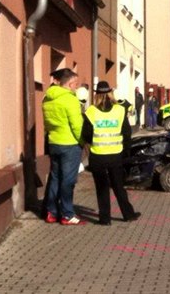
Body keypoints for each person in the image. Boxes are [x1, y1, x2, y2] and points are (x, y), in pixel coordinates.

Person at [82, 81, 140, 225]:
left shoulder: (91, 111)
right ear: (110, 93)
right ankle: (128, 214)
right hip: (116, 155)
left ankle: (105, 219)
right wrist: (126, 152)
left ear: (96, 95)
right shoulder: (120, 110)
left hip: (97, 156)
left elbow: (86, 134)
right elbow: (127, 134)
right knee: (118, 186)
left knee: (102, 189)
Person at [42, 68, 85, 225]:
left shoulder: (47, 98)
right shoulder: (70, 100)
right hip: (70, 144)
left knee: (55, 178)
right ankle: (67, 214)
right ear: (70, 84)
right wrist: (82, 142)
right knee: (68, 180)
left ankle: (51, 212)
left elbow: (47, 123)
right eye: (75, 83)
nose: (76, 87)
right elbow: (77, 125)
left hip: (54, 142)